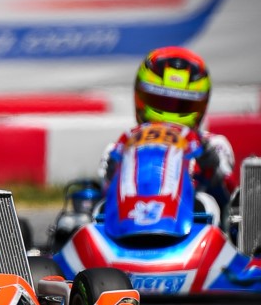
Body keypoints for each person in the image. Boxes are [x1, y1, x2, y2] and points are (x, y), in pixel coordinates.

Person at [99, 46, 236, 208]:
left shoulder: (214, 146)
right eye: (161, 101)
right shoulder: (120, 149)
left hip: (193, 219)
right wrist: (114, 175)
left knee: (206, 202)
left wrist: (212, 171)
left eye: (183, 104)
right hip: (133, 216)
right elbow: (105, 200)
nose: (170, 110)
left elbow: (230, 200)